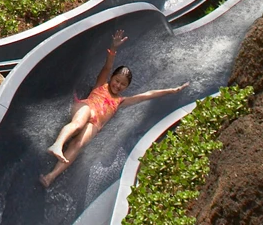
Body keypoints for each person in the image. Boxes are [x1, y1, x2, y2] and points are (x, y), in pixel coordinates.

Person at [40, 30, 188, 188]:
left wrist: (172, 90)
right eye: (117, 81)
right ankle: (57, 145)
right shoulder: (101, 84)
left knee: (79, 144)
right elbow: (108, 65)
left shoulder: (120, 101)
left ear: (126, 87)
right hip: (86, 107)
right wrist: (114, 47)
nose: (118, 85)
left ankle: (50, 177)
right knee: (79, 122)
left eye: (123, 84)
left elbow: (147, 95)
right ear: (112, 78)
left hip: (95, 124)